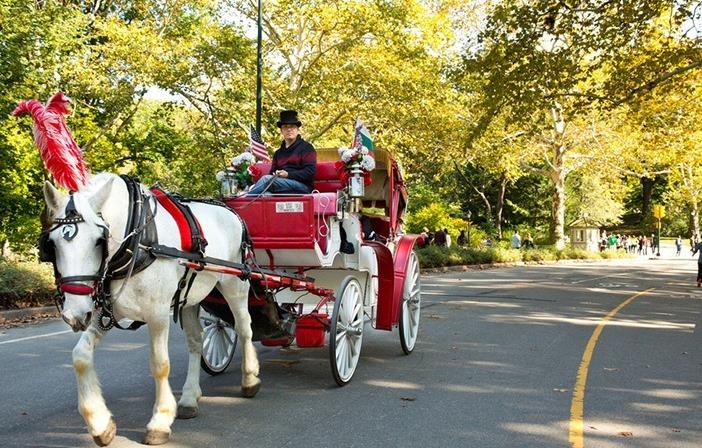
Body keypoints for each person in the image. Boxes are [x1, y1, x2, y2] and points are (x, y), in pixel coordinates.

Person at [248, 110, 316, 195]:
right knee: (266, 195)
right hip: (281, 187)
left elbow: (310, 172)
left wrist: (288, 174)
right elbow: (272, 173)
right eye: (285, 127)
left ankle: (243, 201)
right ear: (281, 130)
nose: (289, 129)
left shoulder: (307, 148)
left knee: (266, 179)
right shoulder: (278, 153)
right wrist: (277, 174)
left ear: (297, 129)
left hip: (303, 187)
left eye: (292, 126)